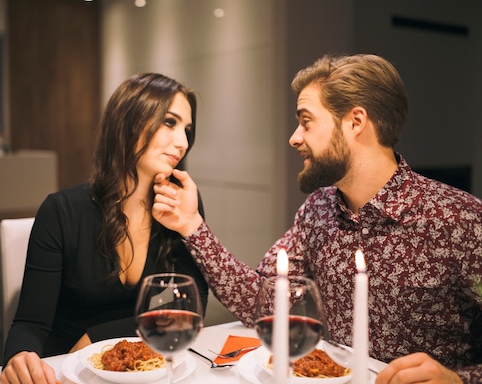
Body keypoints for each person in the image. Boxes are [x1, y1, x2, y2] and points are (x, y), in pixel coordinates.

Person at [152, 53, 482, 384]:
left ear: (356, 122)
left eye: (306, 121)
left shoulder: (460, 220)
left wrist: (458, 380)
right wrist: (191, 225)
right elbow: (264, 302)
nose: (295, 137)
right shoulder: (318, 209)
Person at [0, 72, 208, 384]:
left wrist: (97, 336)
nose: (182, 142)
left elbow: (189, 309)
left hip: (153, 371)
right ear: (129, 122)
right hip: (70, 372)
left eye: (187, 129)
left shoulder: (182, 207)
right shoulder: (61, 212)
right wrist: (20, 358)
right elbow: (30, 324)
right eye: (169, 122)